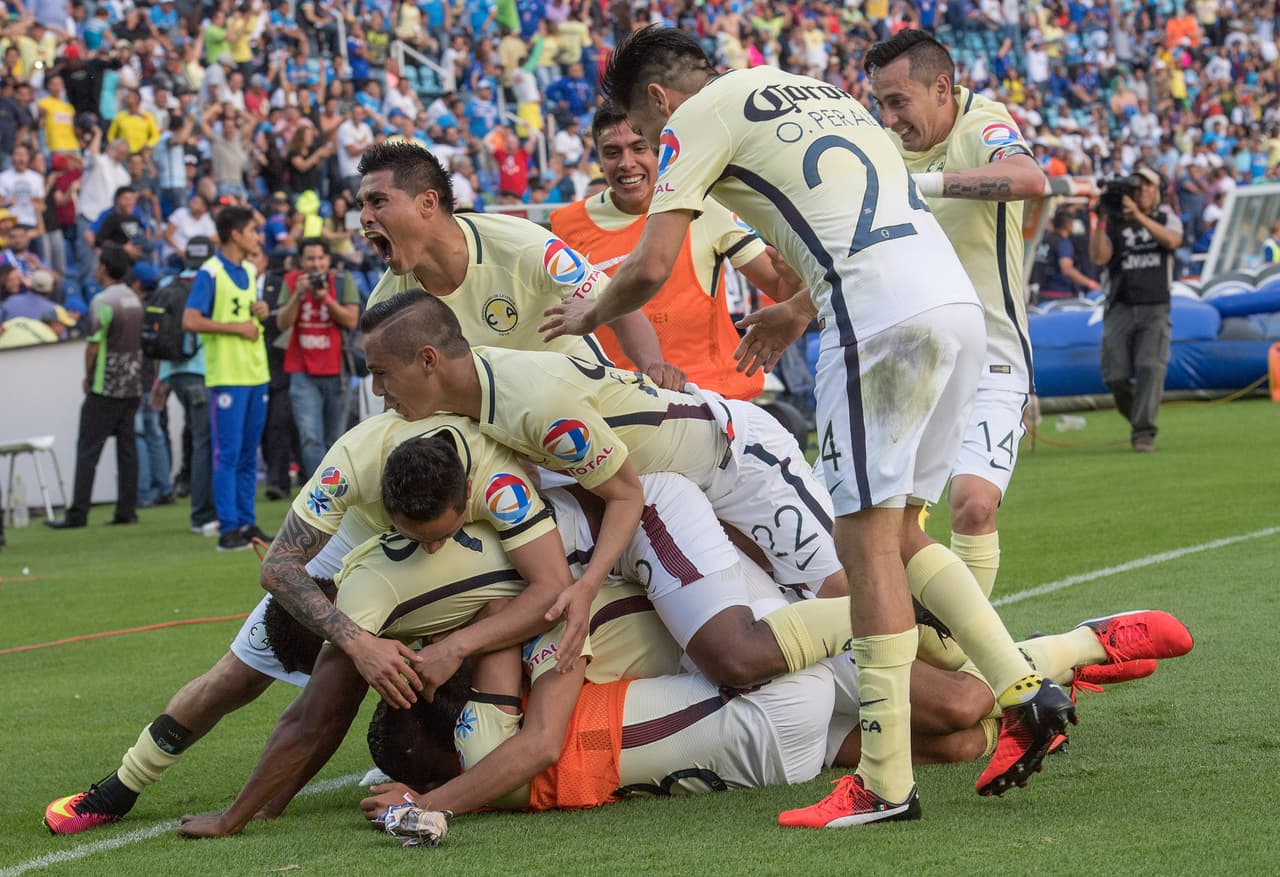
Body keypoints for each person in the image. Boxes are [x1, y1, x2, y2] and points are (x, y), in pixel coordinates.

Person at [539, 26, 1075, 822]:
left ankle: (886, 781)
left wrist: (591, 307)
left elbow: (649, 267)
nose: (653, 152)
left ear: (657, 101)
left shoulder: (694, 120)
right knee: (898, 537)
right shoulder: (813, 88)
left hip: (877, 324)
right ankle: (1024, 688)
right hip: (960, 313)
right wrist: (791, 312)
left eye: (648, 136)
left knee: (863, 548)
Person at [360, 290, 847, 681]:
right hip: (678, 487)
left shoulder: (534, 405)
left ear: (428, 360)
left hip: (740, 459)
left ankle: (912, 637)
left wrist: (586, 587)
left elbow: (624, 494)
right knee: (780, 624)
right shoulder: (477, 390)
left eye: (382, 373)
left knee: (845, 590)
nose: (378, 390)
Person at [865, 30, 1079, 678]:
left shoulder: (983, 122)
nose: (891, 119)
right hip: (914, 362)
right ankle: (913, 653)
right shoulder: (883, 152)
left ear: (942, 88)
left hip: (993, 357)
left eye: (900, 102)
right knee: (880, 521)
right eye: (882, 104)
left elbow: (1028, 177)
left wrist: (923, 185)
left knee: (973, 503)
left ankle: (959, 660)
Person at [358, 140, 679, 385]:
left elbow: (618, 305)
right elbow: (399, 400)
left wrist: (653, 368)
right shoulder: (386, 307)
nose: (364, 218)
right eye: (363, 205)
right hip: (494, 436)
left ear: (428, 202)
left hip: (579, 399)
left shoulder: (520, 242)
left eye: (378, 202)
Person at [550, 103, 792, 401]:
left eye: (638, 148)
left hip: (709, 397)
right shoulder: (564, 224)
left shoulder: (707, 207)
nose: (626, 163)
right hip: (616, 404)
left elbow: (782, 288)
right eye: (612, 152)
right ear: (599, 160)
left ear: (658, 150)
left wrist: (791, 274)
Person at [181, 205, 272, 551]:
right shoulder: (211, 273)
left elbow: (249, 315)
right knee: (228, 454)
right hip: (227, 375)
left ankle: (247, 524)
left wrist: (260, 311)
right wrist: (237, 328)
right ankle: (228, 528)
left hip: (255, 371)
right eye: (252, 231)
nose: (256, 237)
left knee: (249, 453)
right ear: (236, 234)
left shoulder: (249, 270)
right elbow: (190, 320)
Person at [46, 245, 144, 529]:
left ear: (103, 268)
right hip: (133, 382)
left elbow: (93, 345)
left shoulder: (102, 301)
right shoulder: (134, 300)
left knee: (88, 448)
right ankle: (127, 509)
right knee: (127, 449)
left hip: (106, 384)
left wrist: (88, 376)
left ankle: (78, 512)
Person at [1088, 167, 1183, 453]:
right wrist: (1102, 218)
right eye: (1137, 186)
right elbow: (1098, 257)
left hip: (1155, 306)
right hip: (1120, 304)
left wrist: (1139, 217)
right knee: (1114, 375)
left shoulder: (1167, 218)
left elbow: (1172, 241)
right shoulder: (1115, 221)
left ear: (1158, 191)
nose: (1141, 191)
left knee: (1149, 367)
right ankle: (1141, 419)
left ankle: (1143, 432)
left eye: (1147, 186)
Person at [275, 237, 360, 476]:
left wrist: (326, 299)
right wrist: (298, 296)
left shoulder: (343, 280)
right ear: (301, 261)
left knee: (335, 439)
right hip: (302, 370)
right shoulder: (291, 281)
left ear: (328, 259)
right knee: (310, 438)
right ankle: (317, 495)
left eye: (320, 258)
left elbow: (351, 321)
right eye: (310, 258)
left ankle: (335, 493)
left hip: (337, 368)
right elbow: (282, 323)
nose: (316, 264)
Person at [154, 237, 218, 536]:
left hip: (175, 372)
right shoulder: (211, 281)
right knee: (206, 441)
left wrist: (160, 380)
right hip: (203, 370)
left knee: (198, 438)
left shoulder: (167, 281)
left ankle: (203, 508)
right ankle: (203, 513)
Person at [1034, 211, 1099, 301]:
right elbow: (1067, 270)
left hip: (1042, 293)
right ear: (1068, 224)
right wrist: (1092, 284)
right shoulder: (1063, 243)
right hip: (1060, 295)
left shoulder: (1044, 240)